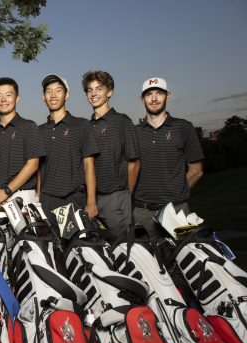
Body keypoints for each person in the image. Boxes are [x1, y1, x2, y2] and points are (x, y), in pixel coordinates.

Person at [133, 77, 204, 240]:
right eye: (149, 94)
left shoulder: (183, 127)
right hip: (142, 212)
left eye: (159, 93)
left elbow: (196, 170)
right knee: (144, 262)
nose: (154, 98)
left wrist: (177, 195)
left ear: (168, 96)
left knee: (184, 260)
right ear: (141, 99)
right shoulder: (134, 132)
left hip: (177, 210)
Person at [82, 71, 139, 243]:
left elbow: (134, 163)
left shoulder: (122, 122)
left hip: (115, 197)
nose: (94, 94)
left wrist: (125, 195)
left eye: (99, 89)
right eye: (89, 90)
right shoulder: (87, 126)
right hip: (91, 199)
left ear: (109, 92)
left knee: (122, 250)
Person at [38, 74, 99, 218]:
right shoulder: (39, 131)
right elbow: (39, 170)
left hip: (74, 199)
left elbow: (89, 165)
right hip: (47, 201)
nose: (53, 95)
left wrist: (91, 202)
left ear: (67, 95)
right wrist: (39, 199)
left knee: (77, 241)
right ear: (43, 97)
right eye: (48, 91)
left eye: (58, 90)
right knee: (50, 241)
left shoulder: (82, 125)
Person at [0, 77, 44, 211]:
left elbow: (33, 164)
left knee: (27, 233)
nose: (3, 100)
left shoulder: (28, 126)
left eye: (8, 95)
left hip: (22, 196)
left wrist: (6, 192)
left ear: (17, 98)